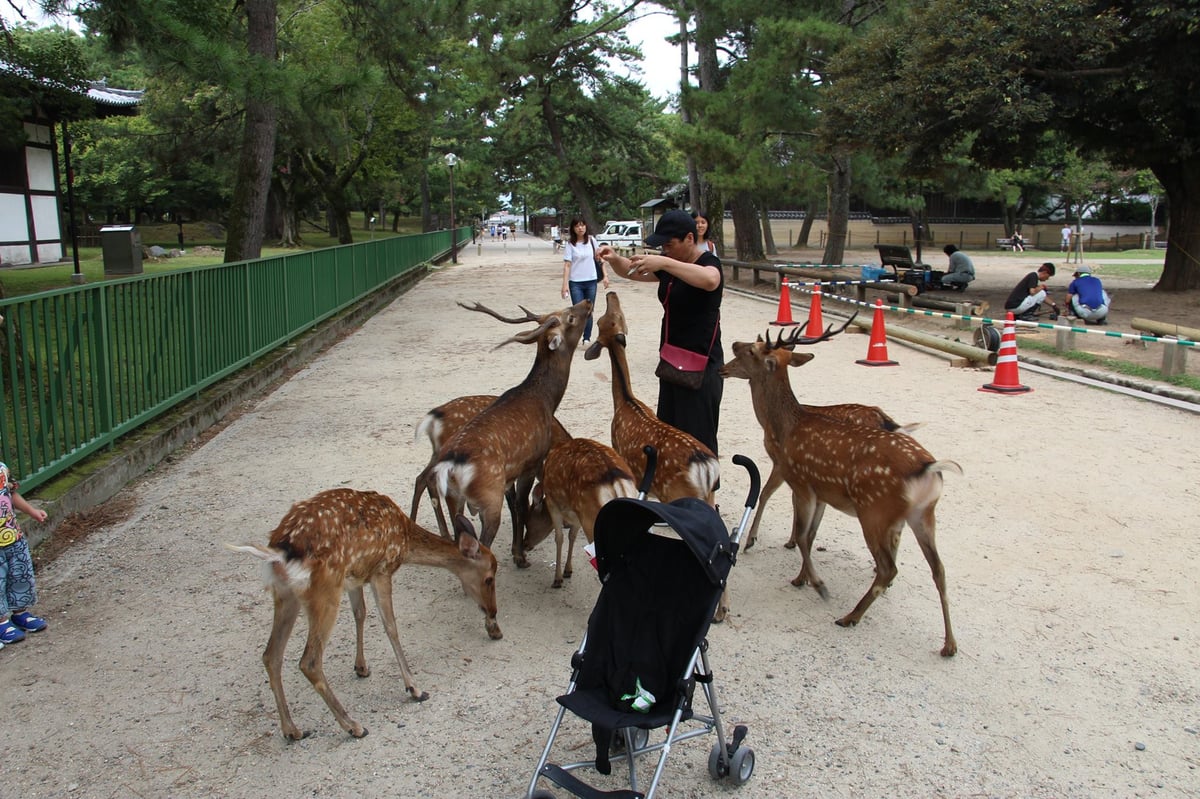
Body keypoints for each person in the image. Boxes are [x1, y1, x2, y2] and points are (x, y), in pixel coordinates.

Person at [598, 209, 723, 455]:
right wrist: (613, 259)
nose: (664, 250)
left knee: (699, 442)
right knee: (669, 434)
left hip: (701, 366)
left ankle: (704, 494)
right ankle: (674, 492)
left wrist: (664, 261)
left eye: (669, 244)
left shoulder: (708, 262)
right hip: (671, 361)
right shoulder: (669, 263)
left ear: (690, 238)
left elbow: (711, 280)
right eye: (662, 246)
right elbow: (630, 271)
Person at [0, 462, 49, 648]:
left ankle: (20, 613)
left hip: (13, 536)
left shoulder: (2, 469)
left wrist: (32, 511)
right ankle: (2, 623)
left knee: (20, 576)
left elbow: (11, 494)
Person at [561, 218, 609, 344]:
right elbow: (567, 265)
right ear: (573, 229)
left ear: (586, 227)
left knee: (588, 311)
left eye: (582, 225)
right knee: (577, 312)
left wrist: (605, 276)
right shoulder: (570, 244)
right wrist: (564, 285)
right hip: (575, 282)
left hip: (591, 281)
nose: (580, 228)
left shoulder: (592, 241)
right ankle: (574, 336)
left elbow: (600, 259)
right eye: (577, 226)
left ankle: (586, 338)